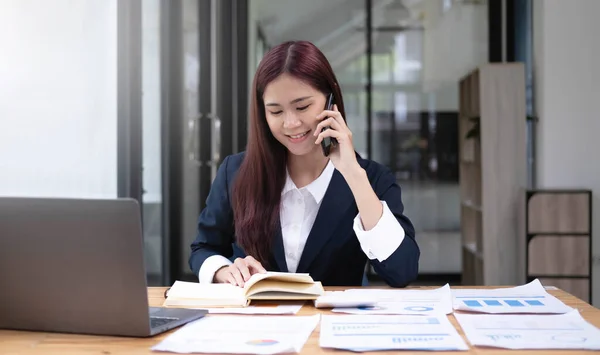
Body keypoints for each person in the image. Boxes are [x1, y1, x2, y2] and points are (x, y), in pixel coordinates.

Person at [188, 40, 420, 288]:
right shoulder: (235, 172)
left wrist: (353, 174)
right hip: (258, 323)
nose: (291, 123)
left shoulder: (371, 178)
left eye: (302, 106)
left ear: (331, 102)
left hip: (332, 323)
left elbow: (402, 270)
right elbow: (203, 248)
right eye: (276, 112)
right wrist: (223, 270)